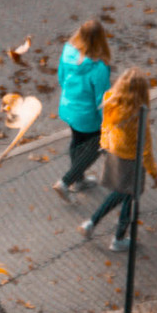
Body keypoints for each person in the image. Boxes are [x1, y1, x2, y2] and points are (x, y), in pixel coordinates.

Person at [80, 72, 157, 252]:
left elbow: (105, 125)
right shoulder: (139, 113)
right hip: (132, 160)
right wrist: (153, 172)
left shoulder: (110, 100)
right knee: (128, 195)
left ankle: (92, 223)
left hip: (113, 153)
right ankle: (117, 238)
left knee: (121, 192)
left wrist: (104, 145)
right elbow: (146, 147)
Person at [53, 21, 115, 190]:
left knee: (77, 142)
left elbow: (61, 77)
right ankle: (67, 181)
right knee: (95, 146)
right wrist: (107, 123)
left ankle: (79, 180)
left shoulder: (68, 52)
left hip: (68, 108)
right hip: (87, 116)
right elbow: (102, 99)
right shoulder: (99, 67)